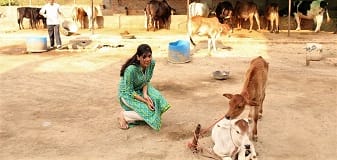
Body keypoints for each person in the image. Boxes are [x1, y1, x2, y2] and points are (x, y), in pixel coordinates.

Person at [117, 44, 170, 131]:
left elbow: (146, 80)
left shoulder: (152, 63)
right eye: (144, 57)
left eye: (149, 56)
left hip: (141, 88)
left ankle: (137, 113)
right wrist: (145, 101)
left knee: (158, 100)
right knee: (149, 112)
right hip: (127, 94)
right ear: (138, 57)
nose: (147, 59)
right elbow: (129, 91)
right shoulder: (131, 70)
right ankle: (124, 115)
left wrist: (145, 95)